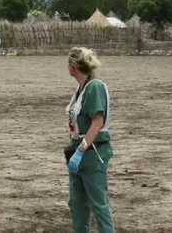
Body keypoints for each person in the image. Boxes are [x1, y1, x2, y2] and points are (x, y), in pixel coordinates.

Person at [65, 47, 115, 233]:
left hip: (93, 152)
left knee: (99, 204)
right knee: (77, 204)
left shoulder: (94, 87)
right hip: (79, 149)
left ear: (73, 66)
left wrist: (81, 150)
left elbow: (97, 123)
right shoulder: (81, 89)